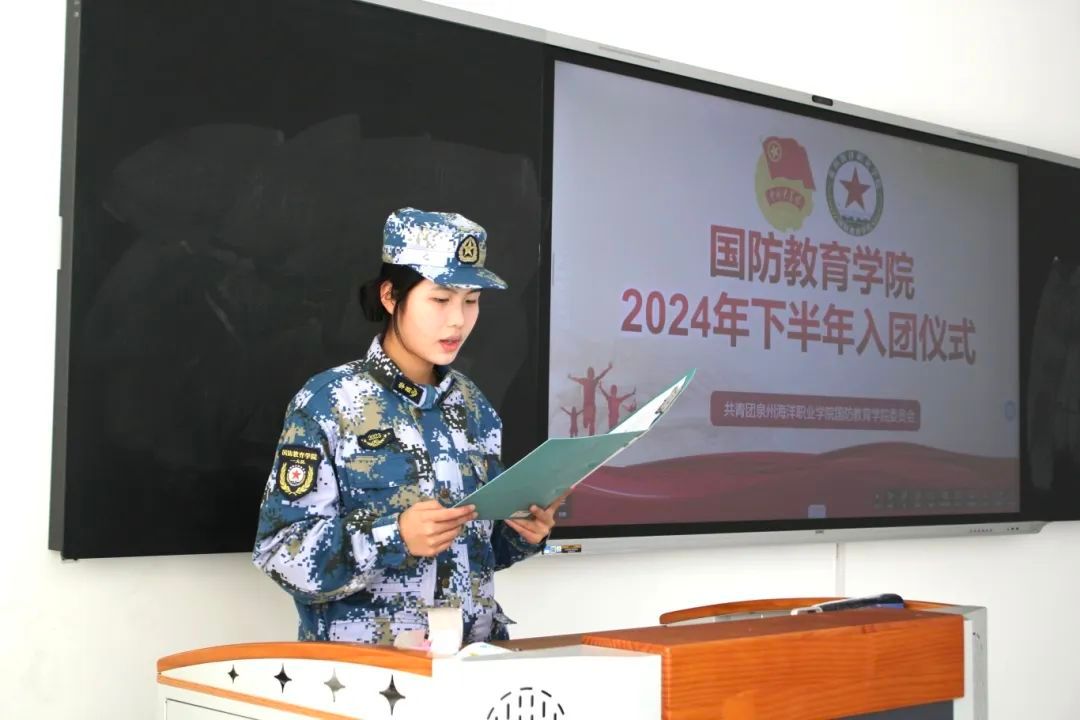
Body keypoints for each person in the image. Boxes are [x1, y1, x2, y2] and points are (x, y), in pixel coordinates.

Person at [253, 207, 559, 645]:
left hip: (474, 661)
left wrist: (522, 532)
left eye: (471, 301)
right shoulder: (329, 402)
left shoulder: (473, 406)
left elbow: (480, 552)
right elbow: (281, 553)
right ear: (390, 296)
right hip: (370, 672)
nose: (458, 320)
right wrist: (393, 536)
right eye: (440, 299)